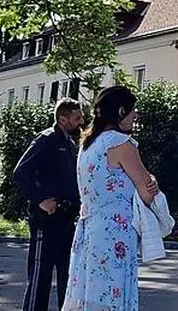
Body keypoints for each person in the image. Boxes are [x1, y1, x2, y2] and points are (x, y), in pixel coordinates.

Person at [63, 85, 160, 310]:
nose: (135, 115)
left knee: (90, 294)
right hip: (114, 232)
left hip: (89, 230)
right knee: (114, 294)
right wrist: (152, 182)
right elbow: (146, 191)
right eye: (132, 110)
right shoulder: (121, 144)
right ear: (120, 112)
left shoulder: (88, 145)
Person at [14, 98, 84, 311]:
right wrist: (40, 199)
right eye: (77, 118)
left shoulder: (70, 144)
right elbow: (21, 172)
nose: (81, 122)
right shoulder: (47, 140)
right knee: (40, 276)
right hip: (47, 218)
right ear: (63, 119)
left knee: (68, 275)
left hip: (66, 217)